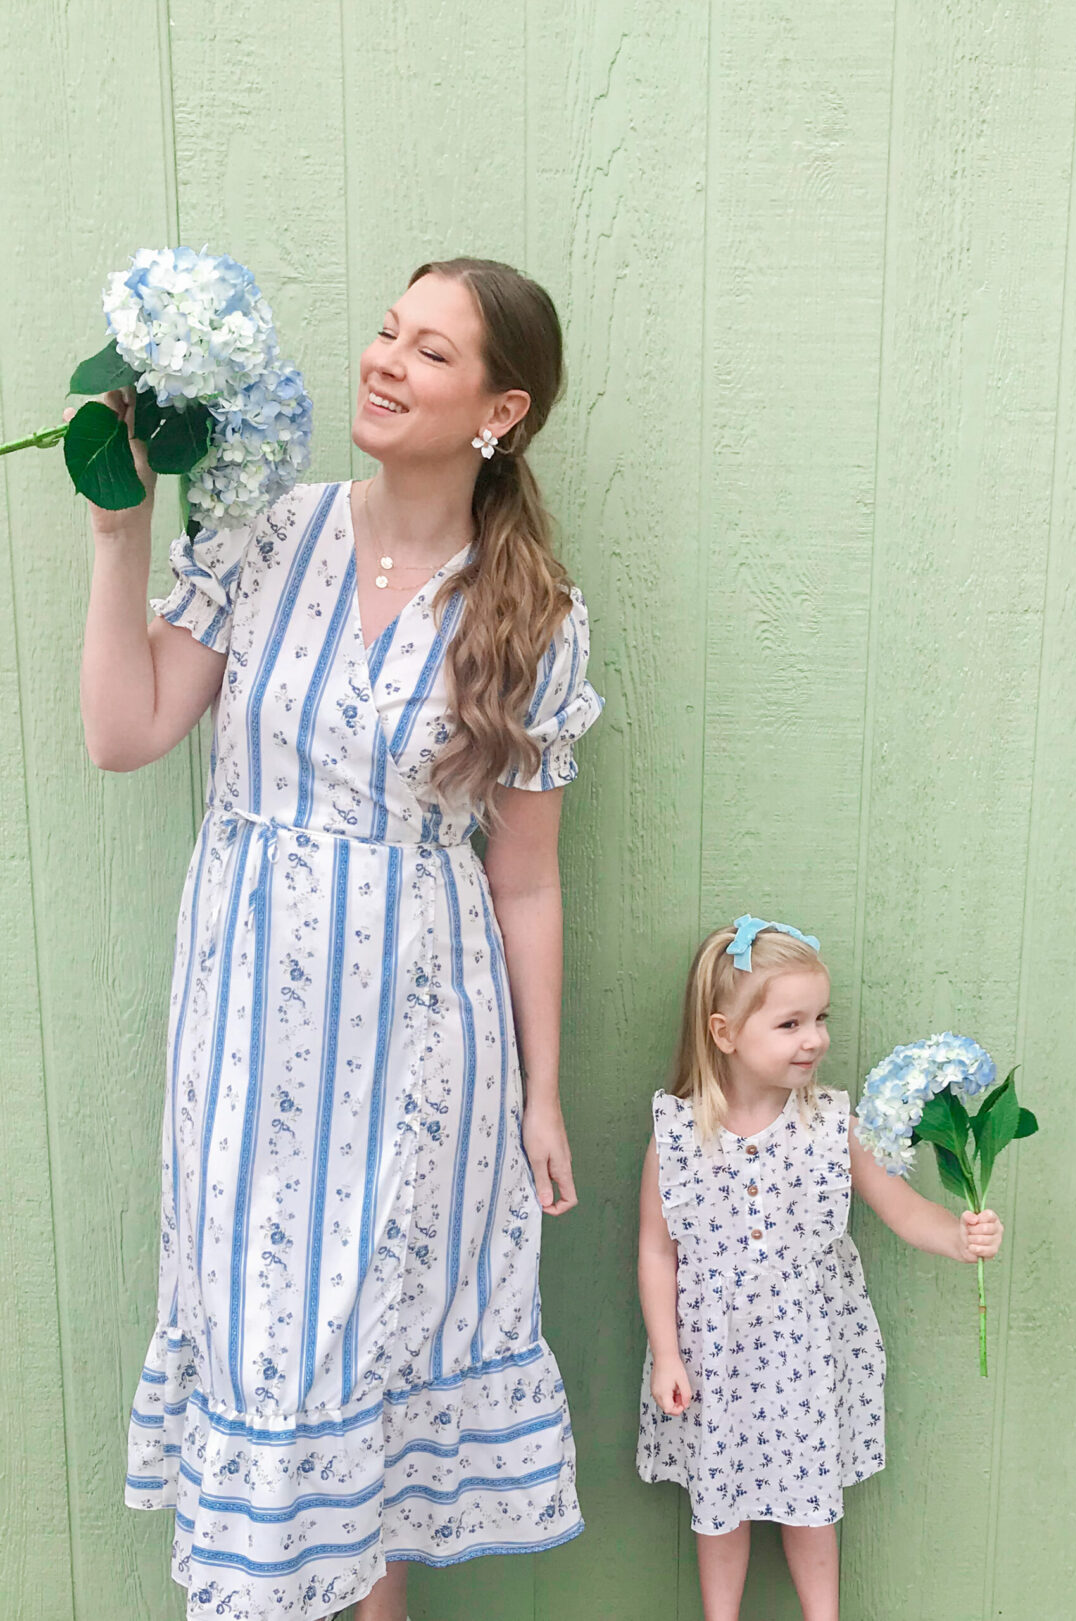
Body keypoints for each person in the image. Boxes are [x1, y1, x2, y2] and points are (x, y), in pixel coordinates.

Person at [78, 257, 602, 1621]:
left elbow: (527, 883)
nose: (383, 359)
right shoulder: (267, 533)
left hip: (424, 1047)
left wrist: (543, 1093)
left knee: (362, 1371)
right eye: (386, 329)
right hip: (249, 1032)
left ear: (500, 408)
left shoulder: (531, 612)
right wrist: (119, 535)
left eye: (430, 353)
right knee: (268, 1353)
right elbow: (126, 732)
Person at [635, 919, 1003, 1621]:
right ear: (724, 1032)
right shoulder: (678, 1134)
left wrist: (958, 1235)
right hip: (715, 1360)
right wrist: (665, 1352)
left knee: (811, 1506)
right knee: (722, 1505)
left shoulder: (831, 1125)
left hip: (804, 1355)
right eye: (791, 1022)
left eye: (820, 1018)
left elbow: (901, 1209)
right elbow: (658, 1249)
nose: (815, 1038)